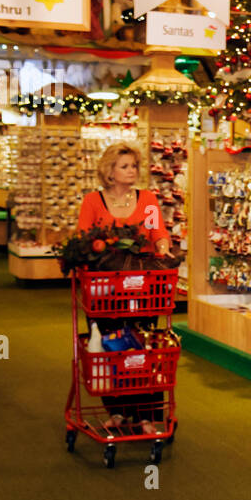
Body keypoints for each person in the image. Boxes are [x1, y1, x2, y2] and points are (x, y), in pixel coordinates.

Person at [77, 143, 172, 432]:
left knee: (142, 346)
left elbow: (158, 233)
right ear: (109, 171)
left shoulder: (148, 199)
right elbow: (83, 238)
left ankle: (147, 414)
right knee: (109, 346)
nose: (132, 171)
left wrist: (163, 247)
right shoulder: (93, 201)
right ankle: (117, 411)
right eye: (125, 166)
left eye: (134, 166)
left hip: (140, 284)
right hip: (104, 287)